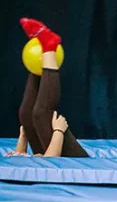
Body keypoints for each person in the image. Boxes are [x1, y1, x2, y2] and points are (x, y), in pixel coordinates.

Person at [6, 18, 89, 158]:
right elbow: (49, 163)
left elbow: (19, 160)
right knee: (42, 114)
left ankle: (41, 43)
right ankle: (48, 47)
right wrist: (58, 132)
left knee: (26, 115)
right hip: (77, 165)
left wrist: (24, 137)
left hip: (41, 161)